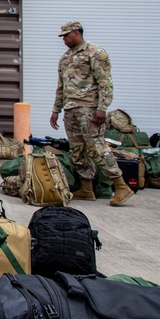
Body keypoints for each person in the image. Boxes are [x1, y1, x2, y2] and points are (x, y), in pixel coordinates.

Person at [50, 21, 132, 206]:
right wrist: (56, 110)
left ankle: (121, 185)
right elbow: (61, 87)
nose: (63, 39)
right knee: (78, 150)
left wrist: (102, 108)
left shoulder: (95, 52)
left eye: (66, 35)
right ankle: (87, 188)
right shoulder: (64, 58)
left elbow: (105, 82)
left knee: (96, 148)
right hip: (71, 110)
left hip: (89, 109)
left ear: (77, 33)